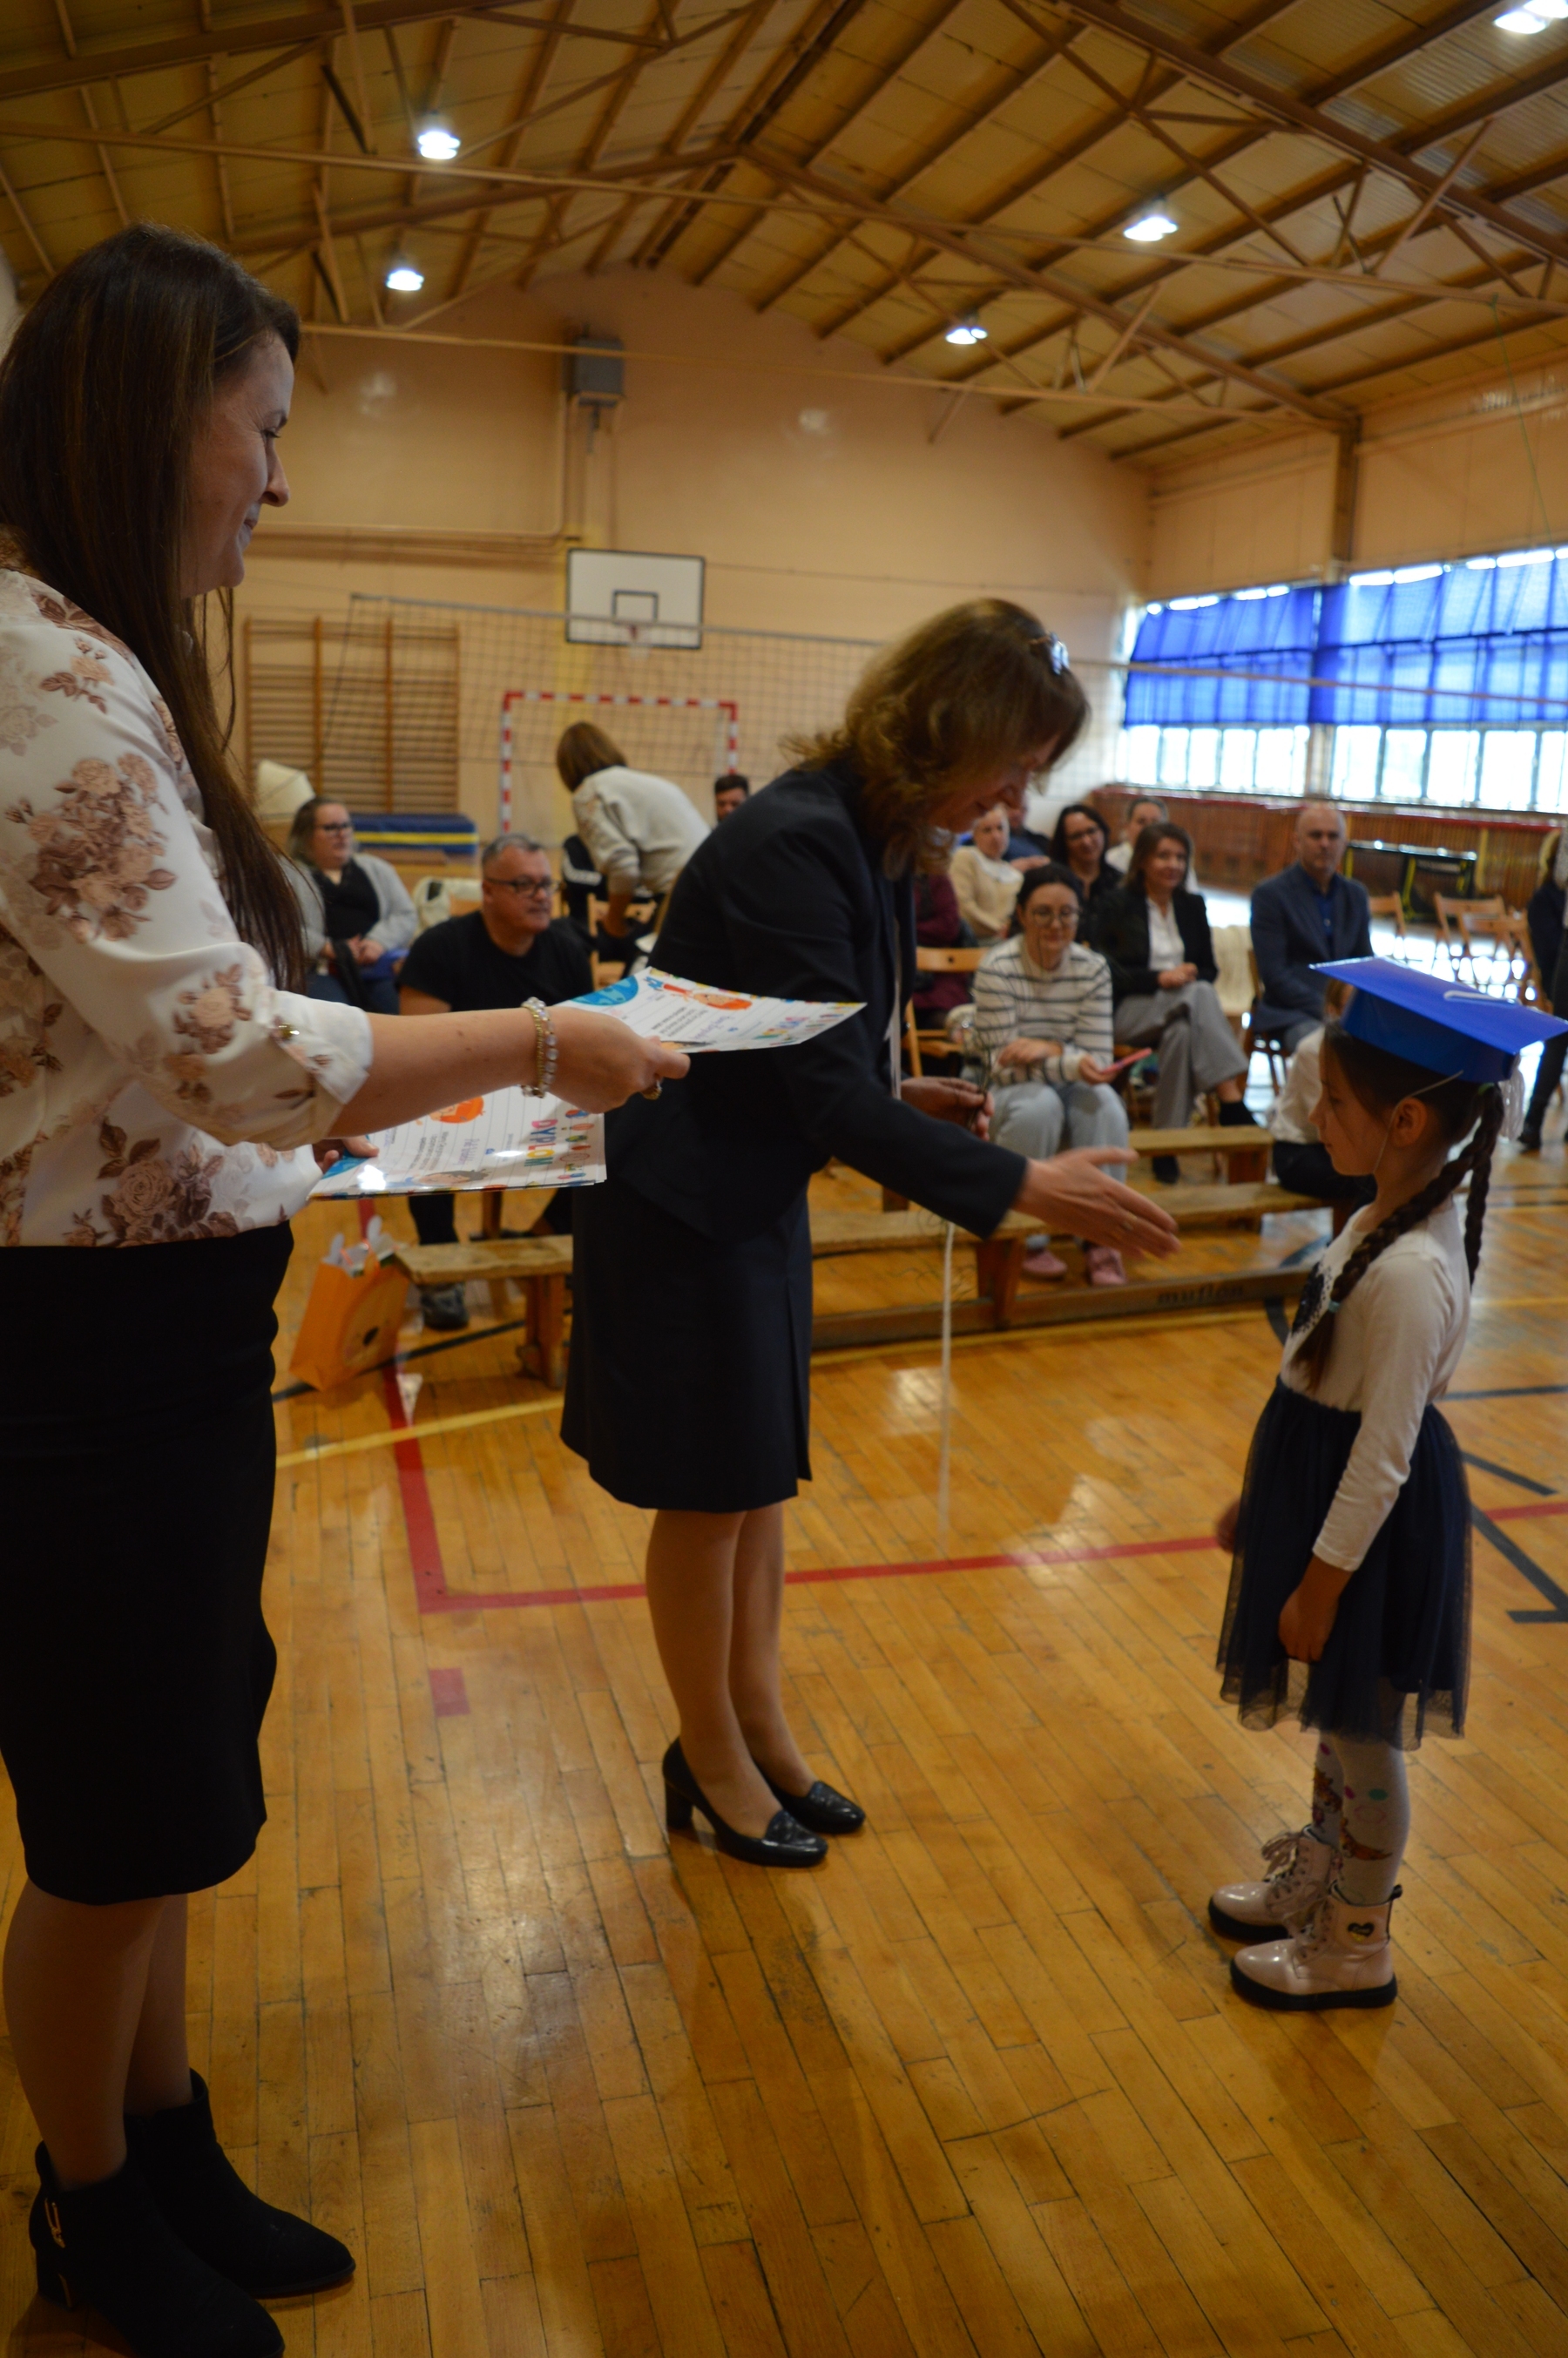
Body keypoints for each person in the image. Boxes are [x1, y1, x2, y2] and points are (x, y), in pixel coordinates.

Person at [0, 223, 684, 2358]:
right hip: (82, 1348)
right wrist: (541, 1040)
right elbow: (226, 1044)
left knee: (175, 1787)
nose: (279, 479)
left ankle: (162, 2133)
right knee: (112, 1822)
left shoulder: (93, 654)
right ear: (152, 419)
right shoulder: (38, 670)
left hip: (166, 1324)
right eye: (264, 429)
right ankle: (87, 2204)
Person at [561, 600, 1179, 1874]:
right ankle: (708, 1751)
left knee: (757, 1484)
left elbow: (804, 1055)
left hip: (747, 1188)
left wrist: (897, 1092)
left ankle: (760, 1728)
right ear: (950, 725)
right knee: (709, 1499)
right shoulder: (800, 839)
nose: (1017, 796)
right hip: (682, 1203)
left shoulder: (872, 834)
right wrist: (1024, 1183)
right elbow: (817, 1088)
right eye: (1013, 764)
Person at [1210, 959, 1566, 2009]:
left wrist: (1321, 1585)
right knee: (1341, 1721)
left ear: (1405, 1120)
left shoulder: (1414, 1271)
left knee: (1366, 1740)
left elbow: (1384, 1453)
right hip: (1326, 1505)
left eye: (1332, 1101)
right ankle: (1321, 1876)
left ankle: (1356, 1943)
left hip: (1365, 1530)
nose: (1314, 1116)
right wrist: (1261, 1503)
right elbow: (1317, 1367)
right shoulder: (1384, 1217)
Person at [397, 832, 592, 1330]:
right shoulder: (439, 948)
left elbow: (586, 1044)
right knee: (415, 1118)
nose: (541, 895)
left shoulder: (568, 950)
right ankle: (440, 1257)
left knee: (624, 1122)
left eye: (546, 884)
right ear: (487, 891)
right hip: (459, 1102)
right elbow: (418, 1057)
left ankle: (543, 1237)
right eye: (524, 885)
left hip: (543, 1097)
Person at [969, 865, 1130, 1286]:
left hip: (1064, 1079)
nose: (1056, 925)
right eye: (1043, 913)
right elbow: (1001, 1064)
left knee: (1107, 1106)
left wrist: (1050, 1049)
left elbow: (1099, 1063)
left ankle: (1102, 1238)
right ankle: (1027, 1238)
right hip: (1006, 1085)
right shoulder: (997, 967)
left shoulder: (1093, 968)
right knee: (1038, 1107)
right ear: (1022, 914)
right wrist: (1070, 1060)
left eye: (1067, 913)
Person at [1091, 821, 1256, 1178]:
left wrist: (1191, 973)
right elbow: (1106, 970)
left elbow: (1209, 969)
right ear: (1142, 861)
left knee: (1182, 1032)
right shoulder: (1117, 903)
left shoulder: (1191, 905)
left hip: (1183, 1007)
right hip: (1129, 1010)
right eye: (1163, 856)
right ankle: (1229, 1096)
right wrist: (1159, 978)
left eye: (1180, 857)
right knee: (1198, 995)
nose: (1173, 865)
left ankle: (1166, 1146)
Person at [555, 721, 709, 940]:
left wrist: (614, 919)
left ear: (566, 768)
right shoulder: (647, 783)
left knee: (650, 961)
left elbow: (623, 866)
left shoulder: (588, 794)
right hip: (710, 888)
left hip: (685, 893)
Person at [1251, 801, 1372, 1053]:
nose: (1325, 844)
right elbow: (1275, 976)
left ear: (1344, 843)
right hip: (1293, 1012)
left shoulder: (1356, 895)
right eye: (1316, 836)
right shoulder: (1270, 895)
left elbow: (1364, 963)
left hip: (1346, 1011)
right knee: (1325, 1050)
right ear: (1297, 841)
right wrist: (1326, 1009)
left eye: (1333, 836)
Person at [283, 797, 416, 1015]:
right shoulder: (288, 874)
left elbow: (405, 914)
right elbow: (280, 928)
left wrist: (378, 942)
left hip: (375, 967)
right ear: (307, 835)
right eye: (331, 828)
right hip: (321, 970)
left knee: (399, 1015)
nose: (342, 834)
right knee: (337, 1019)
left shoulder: (378, 869)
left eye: (346, 826)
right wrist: (326, 947)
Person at [1271, 979, 1375, 1209]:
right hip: (1300, 1152)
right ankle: (1359, 1233)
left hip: (1337, 1144)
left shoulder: (1367, 1047)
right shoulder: (1313, 1050)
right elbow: (1331, 1124)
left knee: (1391, 1169)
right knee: (1373, 1177)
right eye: (1352, 1008)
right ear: (1332, 1011)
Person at [1520, 824, 1567, 1152]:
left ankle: (1533, 1122)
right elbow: (1549, 950)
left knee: (1559, 1037)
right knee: (1559, 1036)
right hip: (1558, 976)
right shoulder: (1545, 899)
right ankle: (1533, 1121)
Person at [950, 803, 1022, 941]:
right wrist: (1000, 928)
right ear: (975, 835)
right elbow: (963, 906)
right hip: (974, 942)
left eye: (1000, 828)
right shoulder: (965, 857)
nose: (996, 836)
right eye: (987, 830)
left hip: (1008, 940)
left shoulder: (1015, 875)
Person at [1105, 792, 1201, 888]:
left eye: (1155, 822)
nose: (1148, 828)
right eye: (1141, 821)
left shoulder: (1177, 864)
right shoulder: (1110, 860)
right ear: (1127, 826)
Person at [1050, 800, 1119, 921]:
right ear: (1064, 843)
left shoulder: (1120, 882)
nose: (1086, 842)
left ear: (1103, 832)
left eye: (1091, 831)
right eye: (1076, 836)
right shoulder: (1051, 881)